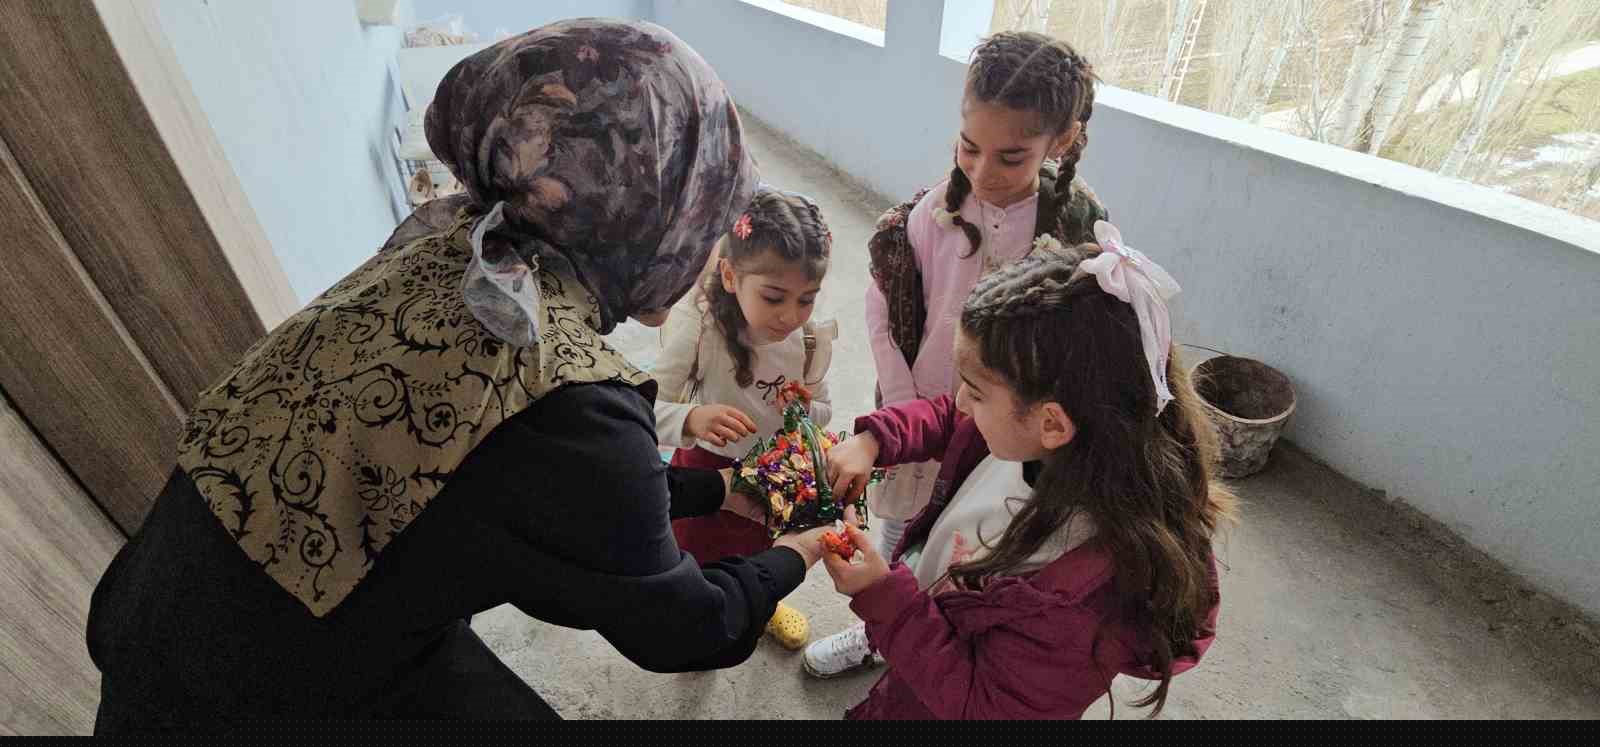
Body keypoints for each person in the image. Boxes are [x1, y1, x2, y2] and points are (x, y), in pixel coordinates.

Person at [84, 19, 833, 732]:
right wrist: (795, 550)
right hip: (255, 688)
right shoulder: (565, 394)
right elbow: (686, 626)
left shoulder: (453, 246)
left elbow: (536, 486)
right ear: (644, 206)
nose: (705, 249)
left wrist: (718, 489)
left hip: (165, 602)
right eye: (702, 213)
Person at [816, 227, 1235, 718]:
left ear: (1052, 422)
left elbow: (982, 707)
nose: (959, 401)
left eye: (973, 387)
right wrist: (876, 439)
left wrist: (883, 598)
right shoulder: (1025, 431)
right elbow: (952, 420)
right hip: (925, 638)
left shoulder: (1078, 607)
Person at [810, 29, 1111, 676]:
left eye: (1010, 157)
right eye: (969, 147)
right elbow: (885, 309)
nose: (981, 171)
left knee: (972, 550)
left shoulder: (1079, 234)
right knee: (899, 533)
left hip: (1007, 434)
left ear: (1058, 143)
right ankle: (878, 633)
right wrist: (904, 407)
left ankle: (935, 648)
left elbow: (1089, 350)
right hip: (920, 417)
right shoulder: (932, 214)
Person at [652, 186, 838, 649]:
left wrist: (803, 410)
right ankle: (696, 621)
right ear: (731, 276)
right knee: (695, 558)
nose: (791, 316)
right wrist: (692, 419)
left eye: (807, 298)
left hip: (775, 471)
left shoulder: (811, 340)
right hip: (709, 471)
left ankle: (763, 603)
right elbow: (643, 411)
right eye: (774, 297)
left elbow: (824, 407)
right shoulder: (699, 331)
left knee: (763, 547)